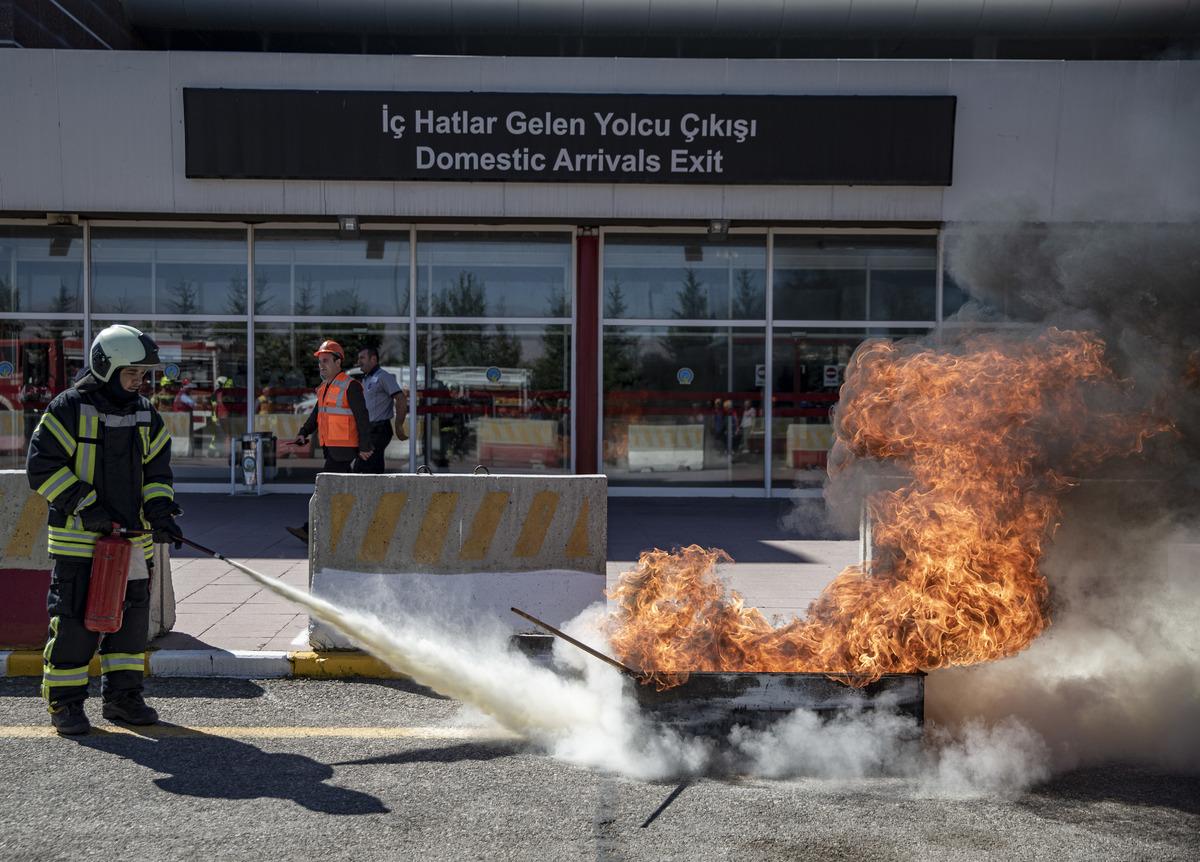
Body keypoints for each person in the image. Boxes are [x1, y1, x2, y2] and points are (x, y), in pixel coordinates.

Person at [26, 324, 183, 736]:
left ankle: (123, 699)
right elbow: (41, 467)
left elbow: (157, 471)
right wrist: (85, 505)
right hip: (80, 542)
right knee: (75, 623)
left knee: (130, 625)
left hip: (132, 543)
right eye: (133, 373)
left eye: (143, 375)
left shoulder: (146, 414)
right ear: (105, 367)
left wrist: (161, 510)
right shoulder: (68, 408)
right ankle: (66, 704)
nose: (141, 382)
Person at [285, 340, 372, 543]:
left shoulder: (350, 386)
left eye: (325, 361)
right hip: (330, 446)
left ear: (338, 362)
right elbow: (317, 414)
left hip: (344, 449)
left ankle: (310, 531)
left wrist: (365, 446)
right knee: (342, 492)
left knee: (325, 489)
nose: (321, 365)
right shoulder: (325, 387)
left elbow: (362, 417)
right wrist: (303, 433)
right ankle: (350, 531)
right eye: (319, 362)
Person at [355, 346, 407, 474]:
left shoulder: (383, 376)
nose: (359, 361)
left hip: (379, 429)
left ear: (373, 359)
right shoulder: (366, 378)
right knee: (366, 468)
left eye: (362, 358)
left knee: (366, 467)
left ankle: (373, 493)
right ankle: (374, 493)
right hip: (369, 430)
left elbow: (400, 398)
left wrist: (399, 425)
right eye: (358, 358)